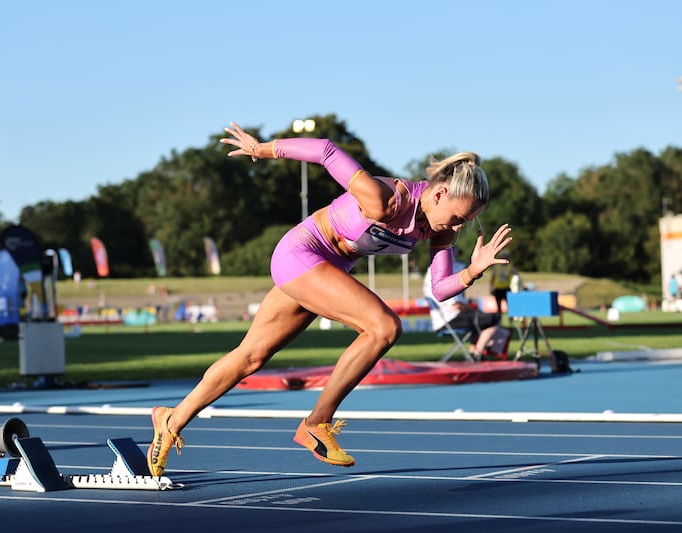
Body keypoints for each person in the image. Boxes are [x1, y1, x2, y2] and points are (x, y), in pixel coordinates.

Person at [146, 121, 512, 477]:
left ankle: (170, 419)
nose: (456, 228)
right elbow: (325, 150)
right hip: (301, 253)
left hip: (326, 268)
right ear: (438, 194)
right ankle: (317, 423)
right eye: (457, 218)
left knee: (250, 357)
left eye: (465, 222)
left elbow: (441, 288)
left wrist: (473, 271)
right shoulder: (387, 199)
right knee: (383, 327)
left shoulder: (438, 229)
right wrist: (261, 149)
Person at [423, 248, 500, 359]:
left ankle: (475, 353)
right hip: (450, 318)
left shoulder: (432, 270)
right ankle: (477, 354)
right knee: (493, 319)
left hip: (444, 318)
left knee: (480, 319)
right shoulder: (443, 271)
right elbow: (457, 305)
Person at [489, 251, 517, 318]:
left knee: (509, 305)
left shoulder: (510, 267)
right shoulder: (496, 267)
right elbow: (492, 278)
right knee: (498, 306)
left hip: (506, 288)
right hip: (498, 289)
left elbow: (516, 276)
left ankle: (511, 318)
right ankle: (499, 319)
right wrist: (491, 287)